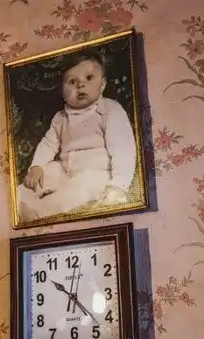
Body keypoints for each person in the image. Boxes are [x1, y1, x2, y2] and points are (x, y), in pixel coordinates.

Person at [17, 51, 137, 222]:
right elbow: (48, 144)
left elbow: (123, 150)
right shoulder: (60, 118)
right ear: (62, 91)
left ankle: (40, 214)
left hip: (96, 173)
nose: (80, 85)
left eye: (89, 78)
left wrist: (118, 185)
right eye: (72, 82)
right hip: (65, 169)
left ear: (102, 84)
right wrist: (37, 166)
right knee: (43, 175)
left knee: (73, 194)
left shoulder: (109, 110)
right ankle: (20, 205)